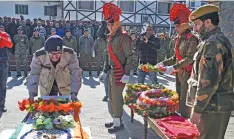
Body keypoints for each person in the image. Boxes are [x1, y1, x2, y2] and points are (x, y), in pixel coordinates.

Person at [187, 5, 234, 139]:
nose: (195, 28)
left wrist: (197, 109)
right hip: (214, 105)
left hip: (212, 107)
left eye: (197, 24)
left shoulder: (212, 44)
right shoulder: (216, 40)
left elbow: (208, 80)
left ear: (208, 22)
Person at [157, 3, 199, 118]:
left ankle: (185, 120)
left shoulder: (192, 39)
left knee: (186, 98)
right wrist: (164, 63)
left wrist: (173, 67)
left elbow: (189, 58)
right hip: (180, 73)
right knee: (179, 94)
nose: (175, 29)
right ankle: (180, 116)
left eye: (177, 26)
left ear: (185, 25)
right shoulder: (178, 39)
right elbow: (175, 57)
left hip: (188, 74)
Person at [99, 3, 133, 133]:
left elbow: (130, 57)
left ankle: (119, 124)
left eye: (112, 23)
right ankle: (116, 119)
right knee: (112, 97)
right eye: (108, 24)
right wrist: (104, 70)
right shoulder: (110, 37)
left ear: (117, 23)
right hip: (112, 72)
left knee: (117, 97)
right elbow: (108, 57)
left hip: (120, 72)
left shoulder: (124, 37)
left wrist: (127, 73)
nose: (109, 26)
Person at [26, 35, 82, 102]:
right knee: (48, 109)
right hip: (47, 85)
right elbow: (34, 74)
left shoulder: (69, 53)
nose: (55, 57)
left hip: (64, 85)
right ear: (47, 52)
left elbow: (75, 72)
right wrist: (31, 94)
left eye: (58, 54)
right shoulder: (39, 55)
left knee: (65, 109)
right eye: (51, 54)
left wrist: (74, 93)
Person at [0, 27, 13, 112]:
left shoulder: (5, 35)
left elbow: (10, 45)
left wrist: (2, 39)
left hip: (3, 63)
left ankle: (2, 105)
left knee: (3, 85)